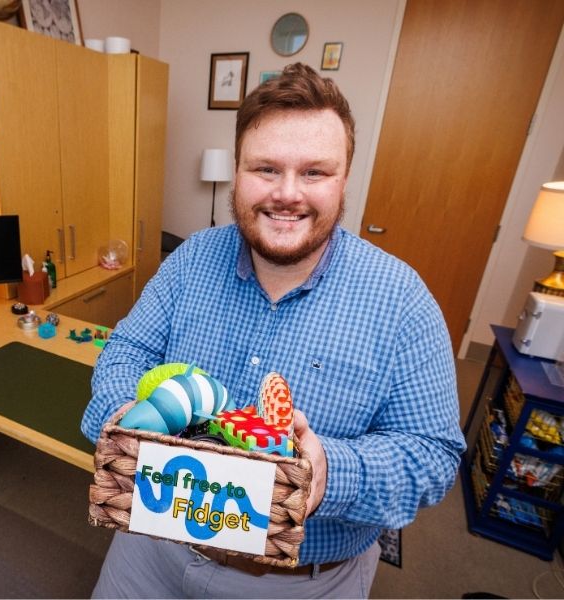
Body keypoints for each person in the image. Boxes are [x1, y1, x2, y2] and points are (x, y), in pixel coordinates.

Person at [81, 62, 465, 599]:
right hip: (151, 552)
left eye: (314, 172)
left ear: (345, 178)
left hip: (300, 583)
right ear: (237, 170)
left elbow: (432, 455)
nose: (287, 194)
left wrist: (328, 471)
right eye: (265, 168)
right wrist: (123, 416)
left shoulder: (402, 300)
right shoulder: (190, 260)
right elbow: (126, 350)